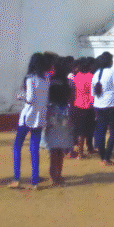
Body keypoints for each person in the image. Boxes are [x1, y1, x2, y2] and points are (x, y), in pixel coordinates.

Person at [10, 53, 49, 189]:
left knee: (17, 146)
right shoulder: (46, 78)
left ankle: (17, 178)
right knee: (34, 148)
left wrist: (21, 97)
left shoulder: (30, 78)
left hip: (28, 116)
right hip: (40, 116)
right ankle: (35, 180)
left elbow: (30, 98)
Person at [44, 56, 75, 185]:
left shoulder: (49, 82)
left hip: (51, 115)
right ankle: (59, 175)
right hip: (64, 115)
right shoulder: (69, 83)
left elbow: (45, 100)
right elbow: (72, 100)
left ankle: (53, 176)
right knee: (60, 148)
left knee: (53, 148)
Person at [92, 51, 114, 166]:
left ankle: (102, 156)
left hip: (98, 105)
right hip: (111, 106)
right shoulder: (113, 72)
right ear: (110, 62)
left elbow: (92, 93)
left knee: (101, 131)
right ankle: (107, 157)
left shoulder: (96, 74)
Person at [72, 57, 95, 159]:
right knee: (86, 130)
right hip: (88, 106)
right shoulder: (91, 77)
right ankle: (84, 150)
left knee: (80, 131)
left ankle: (80, 152)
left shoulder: (77, 76)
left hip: (78, 104)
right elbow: (92, 93)